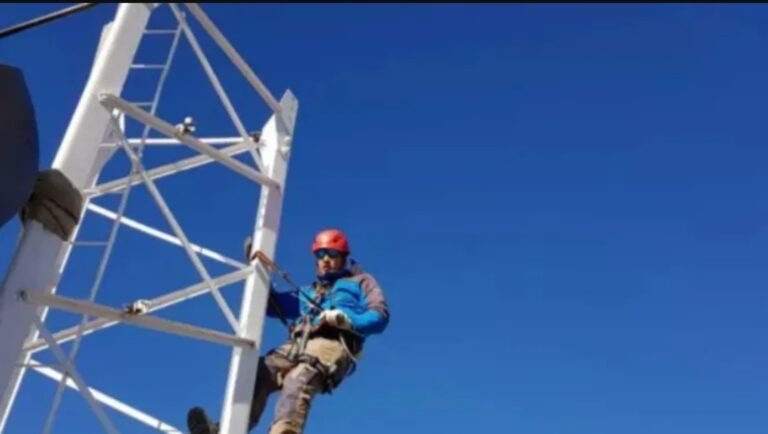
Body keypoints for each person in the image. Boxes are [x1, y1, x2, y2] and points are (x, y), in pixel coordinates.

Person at [187, 228, 390, 434]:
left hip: (332, 343)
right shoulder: (309, 293)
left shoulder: (360, 282)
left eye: (332, 254)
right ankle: (227, 430)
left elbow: (380, 316)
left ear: (344, 258)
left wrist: (347, 320)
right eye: (320, 255)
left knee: (298, 380)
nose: (326, 260)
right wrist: (258, 271)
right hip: (298, 344)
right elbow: (271, 305)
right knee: (259, 371)